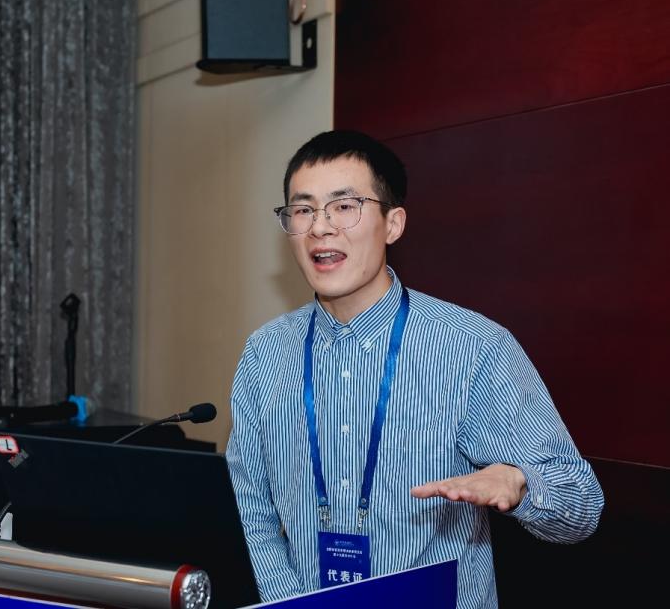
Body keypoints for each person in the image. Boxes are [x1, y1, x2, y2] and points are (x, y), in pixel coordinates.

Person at [225, 130, 603, 608]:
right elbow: (254, 507)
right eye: (303, 210)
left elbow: (581, 506)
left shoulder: (473, 348)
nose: (320, 227)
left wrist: (521, 486)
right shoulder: (264, 354)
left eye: (344, 206)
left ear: (393, 224)